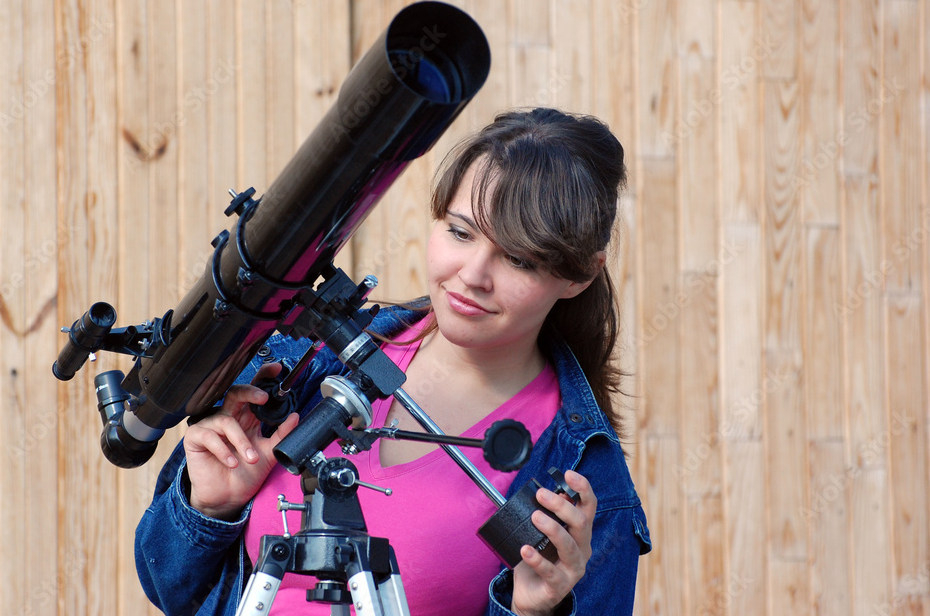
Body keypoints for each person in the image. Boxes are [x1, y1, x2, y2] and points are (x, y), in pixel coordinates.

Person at [135, 107, 651, 616]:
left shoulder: (580, 476)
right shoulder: (309, 359)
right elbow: (170, 588)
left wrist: (532, 612)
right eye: (461, 232)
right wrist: (209, 510)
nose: (472, 275)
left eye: (518, 258)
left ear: (579, 275)